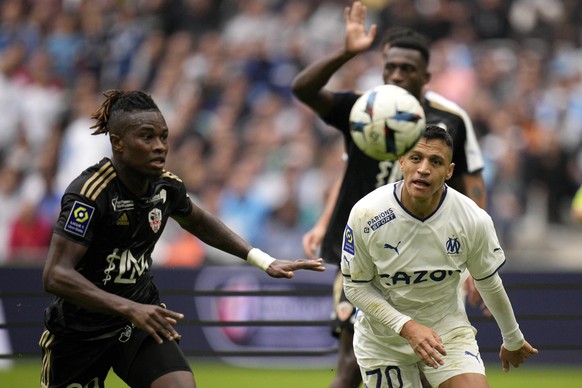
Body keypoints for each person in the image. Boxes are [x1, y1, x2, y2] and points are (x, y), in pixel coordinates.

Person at [39, 90, 326, 388]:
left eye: (164, 137)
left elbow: (200, 221)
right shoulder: (90, 193)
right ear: (118, 143)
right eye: (147, 137)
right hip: (80, 332)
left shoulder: (166, 187)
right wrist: (129, 307)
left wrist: (262, 260)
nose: (160, 147)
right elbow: (56, 274)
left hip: (139, 323)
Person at [291, 2, 486, 387]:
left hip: (429, 257)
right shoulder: (365, 110)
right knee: (351, 363)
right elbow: (303, 90)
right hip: (363, 253)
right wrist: (347, 52)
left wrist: (476, 262)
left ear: (425, 76)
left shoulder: (450, 120)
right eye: (390, 67)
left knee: (432, 363)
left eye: (407, 69)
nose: (396, 75)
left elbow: (472, 187)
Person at [342, 125, 538, 387]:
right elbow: (355, 287)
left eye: (436, 162)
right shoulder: (367, 213)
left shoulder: (472, 218)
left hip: (447, 331)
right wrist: (407, 326)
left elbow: (488, 281)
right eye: (416, 158)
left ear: (449, 171)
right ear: (401, 161)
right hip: (384, 340)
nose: (424, 168)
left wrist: (512, 338)